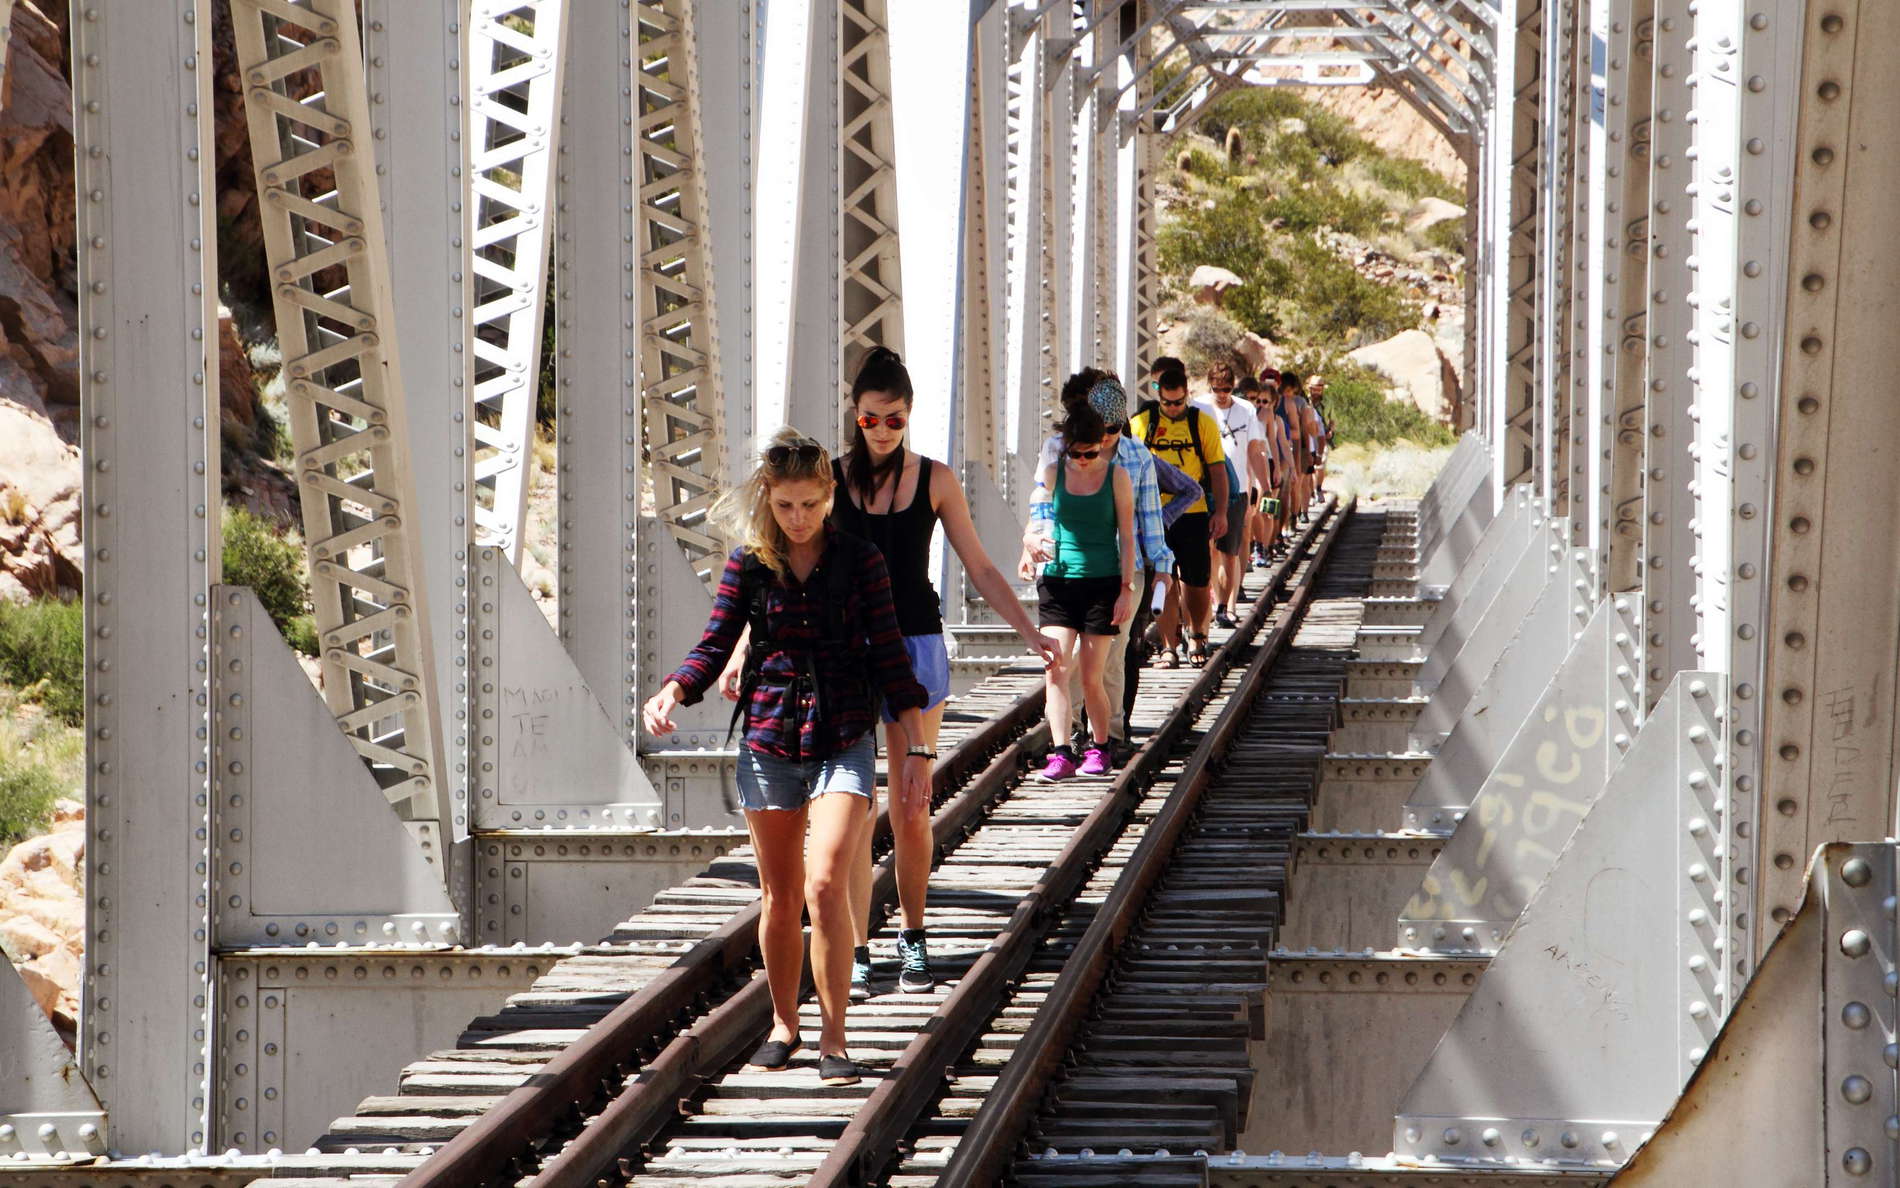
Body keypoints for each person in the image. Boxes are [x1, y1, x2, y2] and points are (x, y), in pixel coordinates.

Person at [641, 429, 932, 1088]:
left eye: (809, 505)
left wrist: (915, 747)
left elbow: (890, 656)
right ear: (768, 500)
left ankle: (834, 1038)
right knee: (779, 896)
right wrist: (674, 690)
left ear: (829, 497)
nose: (797, 520)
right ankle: (784, 1024)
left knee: (827, 884)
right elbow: (715, 644)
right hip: (770, 739)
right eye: (785, 507)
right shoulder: (750, 563)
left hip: (843, 736)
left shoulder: (862, 563)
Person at [828, 346, 1059, 999]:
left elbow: (982, 566)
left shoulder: (935, 479)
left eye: (894, 420)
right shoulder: (833, 479)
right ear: (856, 413)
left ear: (910, 416)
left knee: (909, 807)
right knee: (851, 811)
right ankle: (859, 944)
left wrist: (1030, 631)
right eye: (871, 420)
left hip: (916, 649)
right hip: (851, 653)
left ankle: (914, 936)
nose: (881, 431)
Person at [1020, 371, 1199, 767]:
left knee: (1110, 660)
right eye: (1103, 429)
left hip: (1124, 571)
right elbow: (1041, 508)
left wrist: (1164, 567)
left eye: (1117, 428)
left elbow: (1150, 517)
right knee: (1064, 664)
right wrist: (1032, 541)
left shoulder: (1135, 457)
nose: (1108, 438)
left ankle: (1110, 737)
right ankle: (1070, 740)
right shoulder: (1058, 451)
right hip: (1066, 570)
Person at [1026, 398, 1137, 780]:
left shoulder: (1117, 477)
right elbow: (1036, 518)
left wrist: (1126, 588)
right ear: (1066, 446)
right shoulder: (1055, 474)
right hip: (1058, 582)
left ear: (1102, 445)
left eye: (1091, 453)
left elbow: (1127, 536)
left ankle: (1101, 746)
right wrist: (1029, 545)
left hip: (1102, 583)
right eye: (1077, 453)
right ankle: (1060, 752)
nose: (1084, 460)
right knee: (1056, 668)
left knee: (1091, 675)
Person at [1131, 361, 1228, 668]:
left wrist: (1221, 512)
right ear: (1158, 397)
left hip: (1193, 513)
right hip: (1155, 515)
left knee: (1196, 582)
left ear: (1187, 394)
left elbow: (1217, 470)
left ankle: (1198, 633)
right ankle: (1169, 646)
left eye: (1178, 402)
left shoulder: (1202, 423)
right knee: (1164, 579)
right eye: (1166, 403)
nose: (1172, 408)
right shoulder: (1142, 423)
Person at [1198, 362, 1272, 629]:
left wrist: (1264, 484)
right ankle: (1206, 604)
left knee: (1229, 551)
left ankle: (1225, 606)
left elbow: (1254, 450)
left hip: (1237, 487)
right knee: (1207, 552)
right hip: (1203, 490)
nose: (1222, 394)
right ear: (1210, 386)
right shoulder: (1198, 408)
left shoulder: (1246, 410)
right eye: (1217, 389)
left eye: (1227, 389)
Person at [1307, 373, 1334, 498]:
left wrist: (1330, 431)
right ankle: (1310, 491)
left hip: (1323, 436)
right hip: (1308, 436)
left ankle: (1318, 488)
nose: (1317, 391)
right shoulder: (1305, 402)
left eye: (1319, 388)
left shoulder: (1328, 403)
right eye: (1315, 388)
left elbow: (1332, 419)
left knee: (1321, 464)